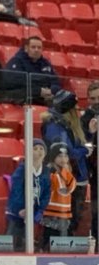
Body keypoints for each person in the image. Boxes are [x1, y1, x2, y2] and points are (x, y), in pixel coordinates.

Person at [44, 89, 90, 234]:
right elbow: (65, 153)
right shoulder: (55, 126)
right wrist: (85, 151)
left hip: (75, 178)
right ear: (68, 109)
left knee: (71, 222)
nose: (78, 110)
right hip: (64, 179)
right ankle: (50, 245)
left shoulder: (66, 125)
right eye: (75, 107)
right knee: (59, 224)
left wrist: (90, 135)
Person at [6, 139, 50, 250]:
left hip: (33, 212)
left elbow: (46, 192)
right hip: (18, 213)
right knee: (13, 242)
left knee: (27, 243)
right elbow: (16, 190)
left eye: (41, 149)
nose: (39, 151)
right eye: (35, 149)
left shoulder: (45, 171)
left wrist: (40, 210)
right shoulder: (22, 169)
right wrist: (21, 208)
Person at [6, 34, 61, 106]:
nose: (36, 50)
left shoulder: (46, 63)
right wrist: (39, 90)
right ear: (26, 48)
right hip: (25, 98)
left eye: (39, 48)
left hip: (46, 97)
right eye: (33, 47)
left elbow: (55, 82)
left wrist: (51, 91)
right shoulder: (17, 61)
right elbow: (17, 82)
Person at [45, 144, 76, 247]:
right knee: (50, 235)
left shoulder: (66, 171)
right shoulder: (50, 170)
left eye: (65, 156)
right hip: (51, 211)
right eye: (59, 156)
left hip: (64, 211)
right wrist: (65, 172)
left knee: (64, 236)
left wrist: (66, 172)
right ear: (53, 157)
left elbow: (72, 186)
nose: (63, 159)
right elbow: (58, 187)